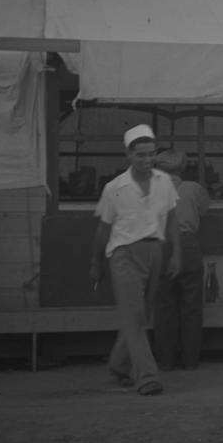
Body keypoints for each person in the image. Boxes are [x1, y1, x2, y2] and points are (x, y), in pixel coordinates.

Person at [90, 125, 181, 396]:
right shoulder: (115, 188)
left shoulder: (164, 182)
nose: (146, 159)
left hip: (155, 251)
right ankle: (147, 377)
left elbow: (172, 219)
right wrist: (96, 262)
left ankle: (119, 364)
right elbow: (103, 229)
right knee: (135, 315)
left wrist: (177, 253)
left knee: (142, 315)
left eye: (151, 154)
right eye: (140, 155)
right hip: (124, 254)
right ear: (128, 155)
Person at [152, 150, 210, 371]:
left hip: (160, 245)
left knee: (164, 307)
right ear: (182, 168)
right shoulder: (193, 188)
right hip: (188, 245)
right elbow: (204, 210)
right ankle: (190, 360)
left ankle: (166, 361)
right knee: (191, 307)